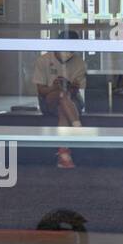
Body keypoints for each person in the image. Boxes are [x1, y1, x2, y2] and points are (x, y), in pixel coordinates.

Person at [32, 40, 86, 169]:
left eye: (72, 52)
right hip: (49, 99)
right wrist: (55, 86)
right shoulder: (43, 60)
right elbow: (41, 91)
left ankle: (63, 155)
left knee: (63, 101)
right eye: (65, 51)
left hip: (72, 100)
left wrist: (70, 86)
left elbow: (76, 90)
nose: (68, 54)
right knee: (61, 95)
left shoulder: (79, 62)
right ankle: (76, 127)